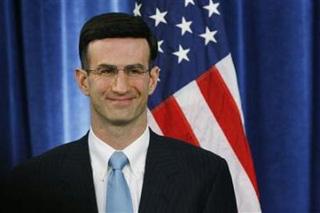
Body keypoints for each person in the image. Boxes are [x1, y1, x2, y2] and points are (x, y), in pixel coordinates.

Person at [2, 12, 237, 213]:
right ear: (83, 81)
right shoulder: (31, 182)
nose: (121, 86)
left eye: (134, 70)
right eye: (106, 71)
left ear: (153, 79)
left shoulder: (206, 175)